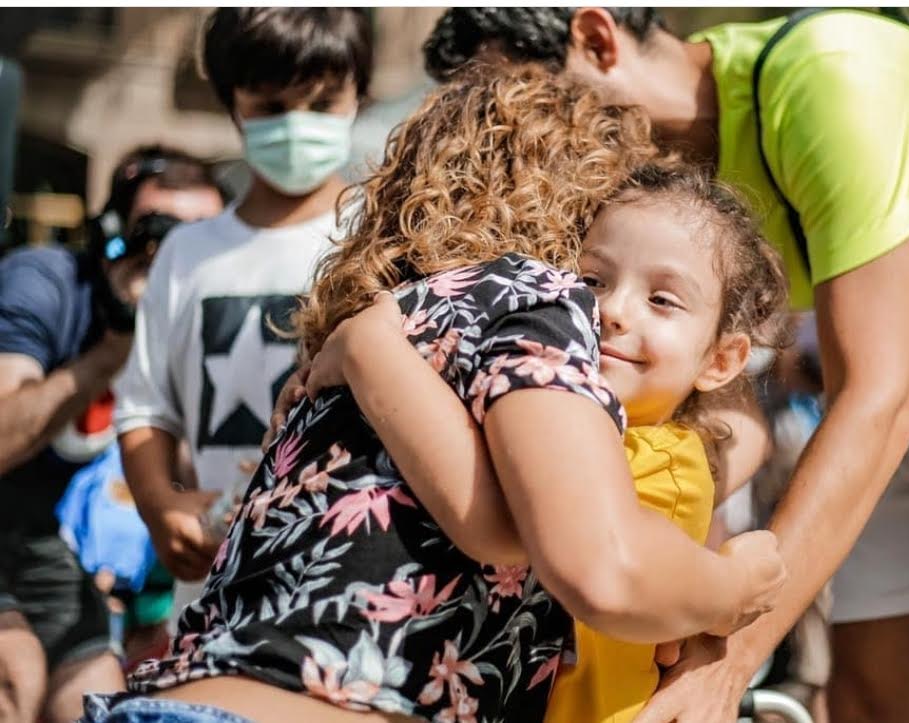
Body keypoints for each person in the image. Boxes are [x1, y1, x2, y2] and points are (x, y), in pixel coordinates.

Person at [423, 7, 909, 722]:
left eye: (534, 97)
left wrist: (730, 656)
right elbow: (727, 406)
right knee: (874, 700)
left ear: (596, 38)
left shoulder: (828, 79)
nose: (527, 131)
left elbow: (877, 400)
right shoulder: (652, 164)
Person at [84, 64, 784, 723]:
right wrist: (735, 589)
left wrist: (368, 347)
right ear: (581, 200)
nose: (606, 305)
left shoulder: (380, 340)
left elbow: (518, 512)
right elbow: (594, 562)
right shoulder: (533, 300)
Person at [294, 163, 790, 723]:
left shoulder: (661, 461)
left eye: (663, 300)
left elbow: (494, 506)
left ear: (722, 360)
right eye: (594, 280)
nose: (613, 310)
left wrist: (375, 349)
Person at [113, 8, 374, 622]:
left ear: (359, 93)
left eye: (321, 101)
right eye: (271, 105)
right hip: (214, 595)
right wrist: (160, 503)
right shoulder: (187, 253)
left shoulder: (382, 234)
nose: (296, 124)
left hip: (351, 585)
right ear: (231, 102)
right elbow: (146, 406)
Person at [0, 145, 223, 723]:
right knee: (13, 668)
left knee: (103, 702)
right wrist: (112, 350)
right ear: (111, 234)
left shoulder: (196, 325)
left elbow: (203, 482)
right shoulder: (46, 282)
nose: (181, 256)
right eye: (162, 232)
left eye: (206, 239)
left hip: (36, 542)